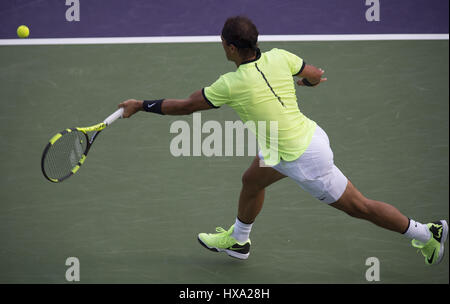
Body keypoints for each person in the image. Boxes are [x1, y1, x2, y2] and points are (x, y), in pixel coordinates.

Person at [118, 16, 447, 264]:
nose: (222, 46)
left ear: (231, 47)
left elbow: (187, 107)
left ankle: (425, 233)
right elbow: (316, 75)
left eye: (223, 43)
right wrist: (302, 84)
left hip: (302, 158)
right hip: (295, 138)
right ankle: (239, 240)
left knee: (359, 207)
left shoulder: (230, 84)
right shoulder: (279, 57)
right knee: (251, 181)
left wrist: (140, 105)